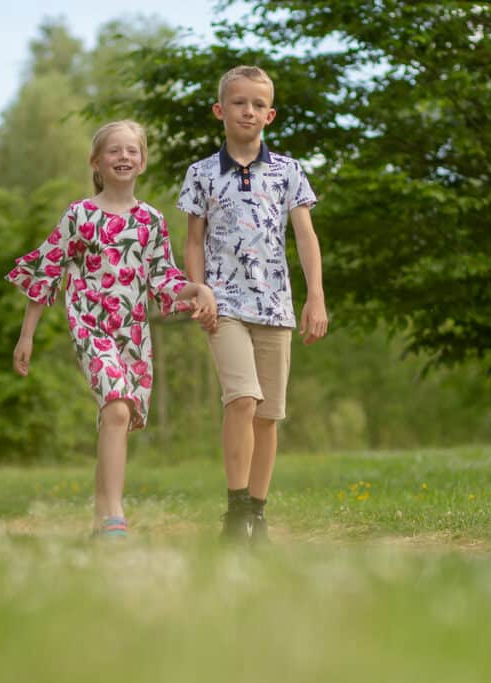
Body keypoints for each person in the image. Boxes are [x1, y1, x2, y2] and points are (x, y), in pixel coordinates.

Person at [7, 120, 217, 540]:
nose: (123, 157)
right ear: (97, 162)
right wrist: (26, 334)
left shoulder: (151, 221)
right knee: (118, 407)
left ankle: (100, 515)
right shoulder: (79, 215)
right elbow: (46, 272)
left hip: (132, 333)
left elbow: (163, 280)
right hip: (89, 326)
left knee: (116, 417)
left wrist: (197, 289)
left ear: (142, 161)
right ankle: (115, 515)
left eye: (131, 151)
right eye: (114, 151)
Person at [177, 65, 328, 545]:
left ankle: (257, 515)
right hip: (223, 306)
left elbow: (305, 236)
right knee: (242, 400)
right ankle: (235, 510)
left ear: (271, 114)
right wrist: (198, 290)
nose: (249, 111)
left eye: (258, 104)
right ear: (221, 111)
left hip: (276, 306)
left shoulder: (289, 171)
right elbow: (193, 240)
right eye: (239, 102)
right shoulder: (201, 173)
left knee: (268, 415)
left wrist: (315, 298)